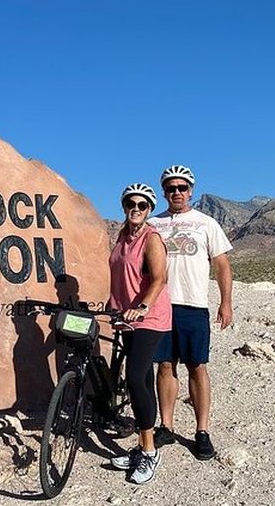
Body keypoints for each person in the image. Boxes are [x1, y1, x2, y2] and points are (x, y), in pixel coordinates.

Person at [148, 165, 233, 460]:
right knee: (165, 365)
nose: (177, 193)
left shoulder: (206, 223)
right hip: (160, 305)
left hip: (194, 304)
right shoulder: (152, 224)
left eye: (182, 188)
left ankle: (202, 431)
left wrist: (226, 302)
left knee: (197, 365)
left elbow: (222, 264)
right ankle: (167, 426)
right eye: (171, 188)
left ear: (191, 191)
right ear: (164, 192)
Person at [107, 183, 172, 484]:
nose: (136, 208)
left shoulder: (151, 238)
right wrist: (114, 305)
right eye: (131, 204)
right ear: (124, 207)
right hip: (125, 316)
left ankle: (149, 450)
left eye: (142, 205)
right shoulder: (121, 237)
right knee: (143, 379)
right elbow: (122, 277)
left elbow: (159, 278)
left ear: (149, 209)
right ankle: (141, 446)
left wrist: (142, 306)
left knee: (134, 377)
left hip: (150, 317)